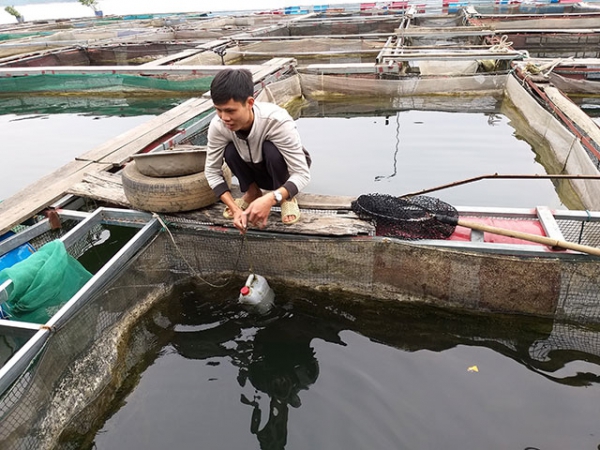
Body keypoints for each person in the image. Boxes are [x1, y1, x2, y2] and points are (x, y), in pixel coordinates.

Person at [204, 68, 311, 233]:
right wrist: (234, 208)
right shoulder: (218, 126)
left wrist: (271, 199)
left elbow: (302, 174)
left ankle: (286, 198)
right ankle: (252, 192)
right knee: (230, 150)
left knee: (271, 150)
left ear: (250, 103)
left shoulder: (276, 120)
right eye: (219, 110)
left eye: (231, 111)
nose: (224, 118)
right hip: (254, 168)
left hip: (283, 172)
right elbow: (211, 172)